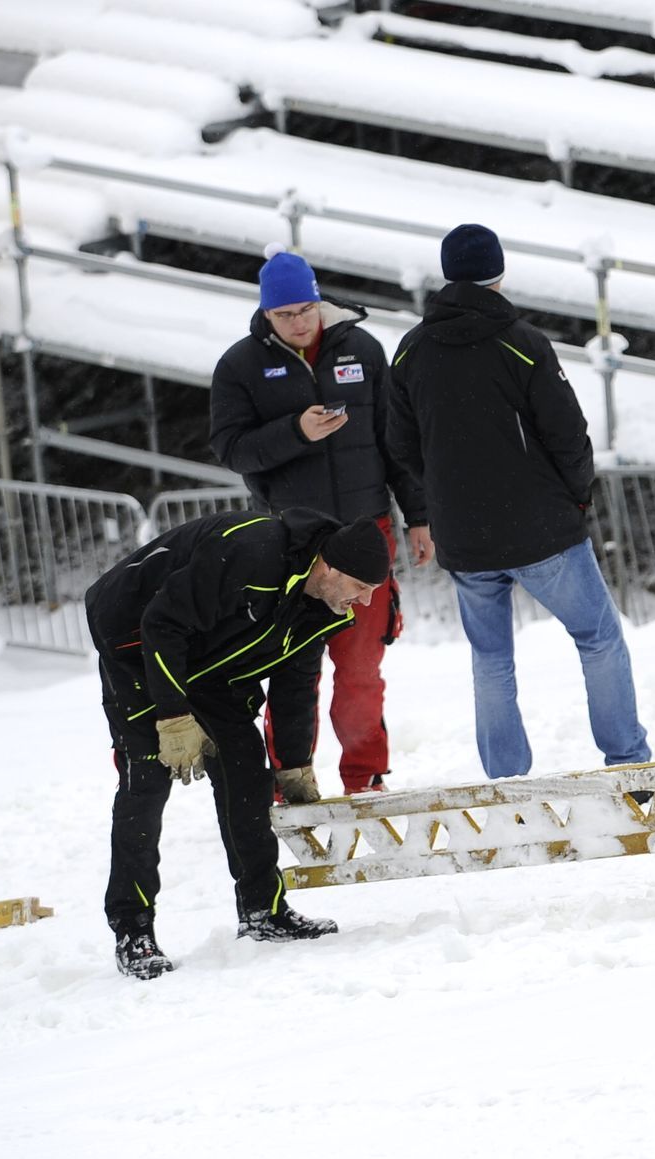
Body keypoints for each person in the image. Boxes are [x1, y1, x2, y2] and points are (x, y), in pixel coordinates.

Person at [385, 222, 650, 780]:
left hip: (463, 536)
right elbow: (568, 434)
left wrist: (445, 497)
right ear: (499, 274)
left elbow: (402, 445)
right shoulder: (522, 343)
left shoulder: (411, 350)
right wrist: (576, 500)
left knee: (490, 659)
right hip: (540, 529)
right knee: (598, 638)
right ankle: (627, 763)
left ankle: (506, 782)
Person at [86, 509, 391, 979]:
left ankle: (262, 912)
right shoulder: (252, 555)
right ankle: (133, 930)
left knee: (247, 769)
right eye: (361, 587)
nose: (367, 602)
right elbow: (162, 624)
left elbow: (296, 682)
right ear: (328, 568)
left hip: (210, 662)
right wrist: (172, 717)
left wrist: (293, 764)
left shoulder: (323, 606)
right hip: (135, 643)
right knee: (146, 778)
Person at [210, 245, 432, 801]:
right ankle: (291, 779)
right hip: (293, 546)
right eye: (284, 315)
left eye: (305, 309)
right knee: (294, 669)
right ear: (265, 314)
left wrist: (419, 518)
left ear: (318, 301)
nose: (298, 322)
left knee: (360, 669)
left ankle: (366, 777)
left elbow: (395, 442)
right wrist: (295, 433)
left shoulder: (362, 348)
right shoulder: (240, 366)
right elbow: (231, 449)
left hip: (368, 532)